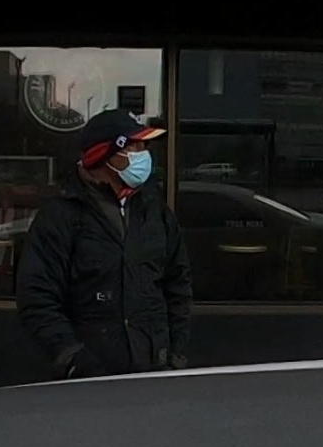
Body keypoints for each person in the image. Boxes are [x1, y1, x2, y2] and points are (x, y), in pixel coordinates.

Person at [14, 110, 191, 378]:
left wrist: (175, 354)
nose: (143, 155)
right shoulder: (61, 216)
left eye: (144, 147)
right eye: (133, 147)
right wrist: (72, 358)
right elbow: (37, 297)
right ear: (104, 155)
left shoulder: (155, 211)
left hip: (153, 373)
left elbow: (177, 286)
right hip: (87, 381)